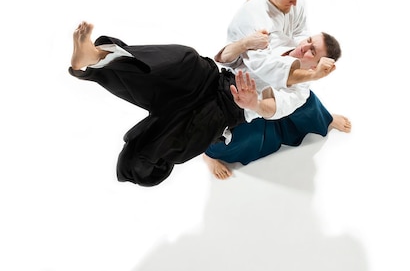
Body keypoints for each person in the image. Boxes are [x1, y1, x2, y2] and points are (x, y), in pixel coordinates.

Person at [68, 21, 338, 186]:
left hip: (224, 111)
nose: (305, 47)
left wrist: (253, 102)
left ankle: (206, 152)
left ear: (320, 65)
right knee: (182, 58)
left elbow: (271, 109)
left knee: (141, 157)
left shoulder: (300, 91)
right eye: (309, 41)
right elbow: (226, 56)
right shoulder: (276, 40)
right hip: (211, 78)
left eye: (313, 51)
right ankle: (93, 58)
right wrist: (245, 42)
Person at [203, 0, 351, 179]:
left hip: (272, 85)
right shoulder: (252, 18)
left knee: (307, 102)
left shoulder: (296, 7)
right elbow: (262, 66)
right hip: (243, 79)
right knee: (248, 139)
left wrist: (302, 59)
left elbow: (301, 33)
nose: (295, 3)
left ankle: (325, 118)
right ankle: (209, 155)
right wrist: (309, 68)